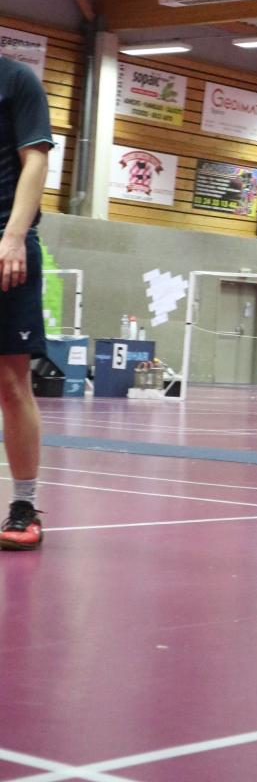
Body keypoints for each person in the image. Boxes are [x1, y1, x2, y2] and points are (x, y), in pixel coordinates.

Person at [0, 55, 54, 551]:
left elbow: (35, 159)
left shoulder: (16, 80)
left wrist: (14, 235)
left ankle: (24, 503)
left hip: (5, 244)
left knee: (11, 381)